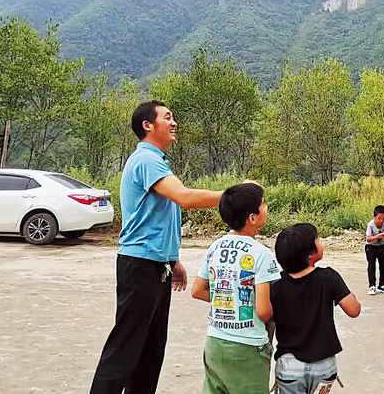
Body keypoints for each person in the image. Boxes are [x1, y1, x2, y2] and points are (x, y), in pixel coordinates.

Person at [90, 101, 224, 394]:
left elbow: (162, 218)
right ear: (148, 126)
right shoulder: (146, 161)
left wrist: (172, 260)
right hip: (139, 264)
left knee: (150, 351)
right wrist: (235, 195)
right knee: (126, 347)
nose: (174, 123)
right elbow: (185, 198)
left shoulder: (158, 162)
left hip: (155, 264)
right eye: (168, 117)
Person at [191, 181, 281, 394]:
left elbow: (197, 290)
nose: (266, 207)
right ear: (252, 218)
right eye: (263, 204)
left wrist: (227, 300)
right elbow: (263, 310)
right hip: (247, 348)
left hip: (214, 341)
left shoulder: (215, 246)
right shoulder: (261, 254)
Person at [271, 222, 361, 393]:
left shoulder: (275, 283)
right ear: (310, 254)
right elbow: (353, 310)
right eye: (317, 239)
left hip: (290, 366)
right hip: (324, 366)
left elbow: (270, 321)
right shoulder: (328, 277)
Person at [365, 204, 384, 295]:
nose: (381, 221)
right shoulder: (371, 224)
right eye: (379, 218)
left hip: (382, 245)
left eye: (383, 218)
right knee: (372, 265)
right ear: (374, 217)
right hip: (371, 246)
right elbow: (368, 238)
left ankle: (382, 285)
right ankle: (372, 285)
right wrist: (377, 236)